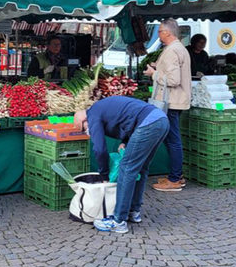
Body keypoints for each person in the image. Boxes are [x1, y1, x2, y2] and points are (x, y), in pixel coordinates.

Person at [73, 96, 170, 233]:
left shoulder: (92, 114)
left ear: (84, 120)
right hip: (161, 120)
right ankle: (133, 211)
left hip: (148, 123)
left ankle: (118, 220)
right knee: (141, 168)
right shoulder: (101, 109)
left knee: (127, 168)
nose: (86, 132)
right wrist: (125, 141)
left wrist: (104, 174)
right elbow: (127, 118)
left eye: (83, 129)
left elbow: (99, 149)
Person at [144, 19, 191, 192]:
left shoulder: (172, 51)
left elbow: (173, 80)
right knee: (173, 139)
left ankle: (175, 179)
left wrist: (153, 73)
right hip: (175, 100)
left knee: (173, 140)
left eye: (160, 31)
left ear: (168, 33)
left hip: (170, 101)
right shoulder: (179, 48)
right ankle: (176, 176)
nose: (158, 34)